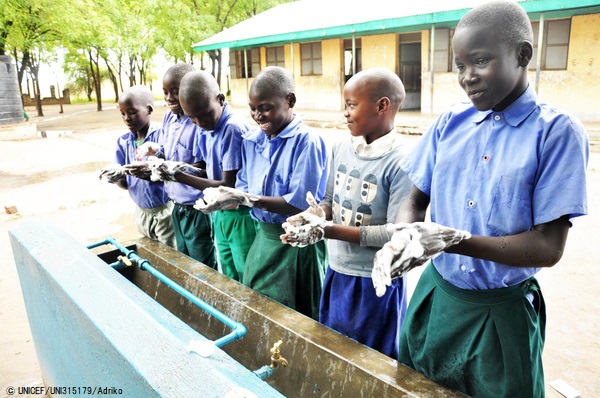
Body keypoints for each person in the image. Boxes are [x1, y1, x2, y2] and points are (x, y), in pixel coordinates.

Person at [379, 1, 589, 396]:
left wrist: (453, 240)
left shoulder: (557, 133)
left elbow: (547, 246)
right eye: (459, 65)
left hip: (500, 315)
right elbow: (414, 200)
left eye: (479, 61)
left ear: (522, 55)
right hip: (437, 298)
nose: (466, 77)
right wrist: (406, 236)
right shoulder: (449, 123)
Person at [279, 68, 413, 358]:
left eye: (352, 105)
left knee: (373, 359)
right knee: (334, 350)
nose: (345, 113)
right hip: (338, 271)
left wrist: (327, 231)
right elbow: (329, 200)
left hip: (376, 282)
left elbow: (396, 232)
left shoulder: (401, 161)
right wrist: (317, 215)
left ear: (382, 106)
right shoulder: (340, 147)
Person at [197, 66, 329, 320]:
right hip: (265, 238)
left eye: (265, 107)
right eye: (252, 108)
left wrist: (244, 198)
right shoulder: (252, 141)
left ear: (290, 101)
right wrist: (227, 198)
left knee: (300, 315)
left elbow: (298, 204)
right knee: (260, 305)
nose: (257, 115)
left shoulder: (307, 142)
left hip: (297, 242)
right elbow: (244, 187)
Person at [167, 70, 258, 282]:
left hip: (240, 216)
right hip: (221, 214)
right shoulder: (204, 125)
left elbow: (227, 185)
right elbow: (205, 168)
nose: (199, 122)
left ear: (220, 99)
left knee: (247, 276)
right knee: (228, 273)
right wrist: (178, 167)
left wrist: (178, 176)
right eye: (192, 118)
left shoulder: (231, 128)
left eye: (205, 114)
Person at [149, 63, 217, 268]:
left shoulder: (199, 121)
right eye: (165, 92)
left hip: (197, 207)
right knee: (184, 261)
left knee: (202, 266)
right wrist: (156, 153)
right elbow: (167, 150)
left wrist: (176, 170)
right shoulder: (169, 117)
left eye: (175, 92)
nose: (169, 97)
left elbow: (205, 166)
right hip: (176, 205)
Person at [99, 85, 175, 248]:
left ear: (148, 110)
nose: (127, 118)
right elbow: (125, 184)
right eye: (123, 114)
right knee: (152, 252)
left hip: (164, 211)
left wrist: (150, 170)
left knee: (170, 254)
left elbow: (171, 172)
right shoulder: (123, 142)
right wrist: (116, 176)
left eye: (132, 112)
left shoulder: (161, 136)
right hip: (141, 211)